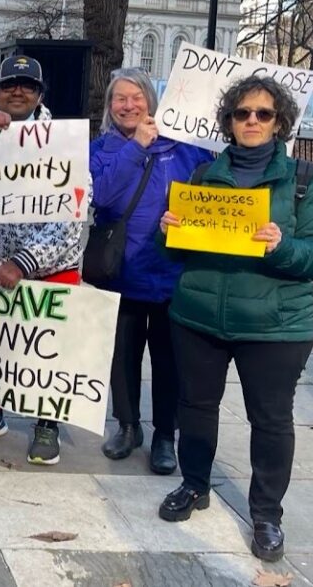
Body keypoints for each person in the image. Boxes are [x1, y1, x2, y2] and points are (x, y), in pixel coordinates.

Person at [157, 75, 313, 563]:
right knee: (195, 406)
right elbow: (169, 254)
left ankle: (267, 514)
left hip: (275, 325)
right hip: (199, 315)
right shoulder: (201, 177)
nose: (251, 121)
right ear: (229, 121)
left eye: (263, 114)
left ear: (280, 122)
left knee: (271, 421)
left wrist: (282, 246)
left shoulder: (304, 182)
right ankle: (194, 485)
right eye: (242, 113)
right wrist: (167, 230)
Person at [0, 55, 87, 466]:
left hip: (47, 267)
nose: (17, 91)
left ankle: (46, 422)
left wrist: (25, 261)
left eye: (27, 85)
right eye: (9, 84)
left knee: (46, 350)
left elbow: (73, 214)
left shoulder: (63, 141)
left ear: (40, 94)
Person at [89, 69, 211, 473]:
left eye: (136, 97)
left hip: (171, 274)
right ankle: (127, 425)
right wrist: (136, 148)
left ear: (151, 102)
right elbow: (101, 194)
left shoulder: (184, 148)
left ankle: (164, 434)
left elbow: (213, 189)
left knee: (168, 360)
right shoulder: (101, 150)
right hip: (118, 271)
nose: (128, 105)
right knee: (122, 357)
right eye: (120, 99)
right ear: (110, 106)